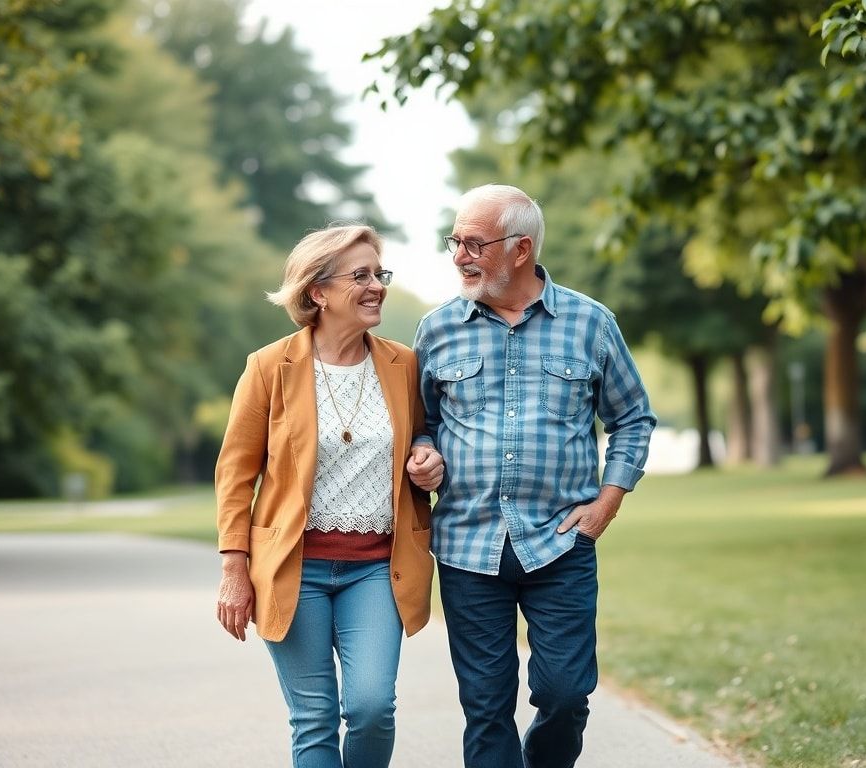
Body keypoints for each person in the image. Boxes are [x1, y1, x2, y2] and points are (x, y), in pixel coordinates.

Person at [406, 184, 657, 768]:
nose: (459, 255)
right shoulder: (437, 329)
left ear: (521, 249)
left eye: (474, 243)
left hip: (562, 544)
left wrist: (607, 504)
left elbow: (634, 417)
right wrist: (424, 453)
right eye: (455, 241)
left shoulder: (591, 323)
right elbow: (423, 421)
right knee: (486, 707)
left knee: (565, 695)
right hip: (469, 546)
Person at [214, 223, 442, 768]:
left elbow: (425, 432)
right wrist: (233, 569)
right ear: (317, 291)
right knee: (314, 718)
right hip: (294, 567)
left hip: (377, 569)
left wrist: (428, 457)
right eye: (360, 276)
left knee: (370, 707)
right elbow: (235, 473)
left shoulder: (404, 364)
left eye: (379, 274)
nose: (376, 286)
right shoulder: (269, 367)